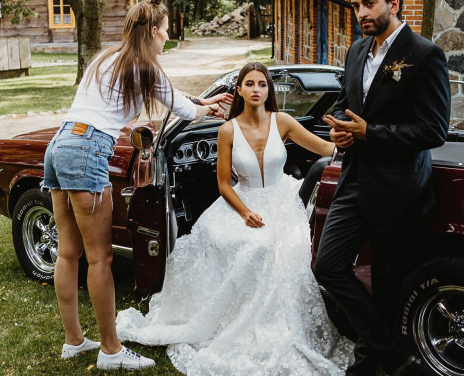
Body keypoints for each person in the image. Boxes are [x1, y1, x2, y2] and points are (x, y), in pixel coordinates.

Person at [115, 61, 355, 375]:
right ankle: (229, 318)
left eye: (262, 84)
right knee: (240, 243)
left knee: (271, 248)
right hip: (242, 202)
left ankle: (274, 326)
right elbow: (223, 184)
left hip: (283, 200)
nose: (257, 90)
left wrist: (346, 141)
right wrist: (244, 212)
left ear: (269, 90)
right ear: (239, 90)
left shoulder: (283, 121)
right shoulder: (227, 130)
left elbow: (325, 148)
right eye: (250, 84)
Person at [43, 0, 229, 371]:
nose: (167, 36)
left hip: (60, 143)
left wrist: (200, 101)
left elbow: (175, 97)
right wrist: (207, 108)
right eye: (165, 30)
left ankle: (73, 341)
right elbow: (183, 110)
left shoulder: (106, 58)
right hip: (87, 150)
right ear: (153, 32)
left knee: (68, 252)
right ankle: (111, 351)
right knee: (101, 257)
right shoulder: (145, 67)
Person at [315, 0, 451, 376]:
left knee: (389, 284)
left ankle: (369, 361)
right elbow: (345, 102)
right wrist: (340, 128)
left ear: (393, 4)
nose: (361, 12)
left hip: (398, 188)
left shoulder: (424, 54)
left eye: (369, 3)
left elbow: (433, 130)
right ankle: (389, 351)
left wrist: (369, 132)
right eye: (356, 6)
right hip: (354, 179)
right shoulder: (357, 51)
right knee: (328, 266)